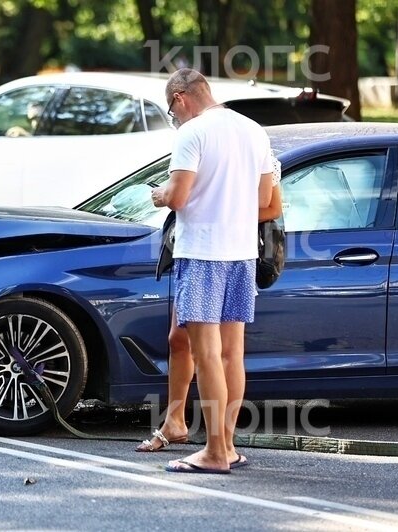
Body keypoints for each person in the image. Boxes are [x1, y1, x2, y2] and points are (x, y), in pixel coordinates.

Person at [148, 68, 274, 474]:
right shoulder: (254, 130)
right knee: (232, 354)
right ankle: (229, 445)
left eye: (171, 110)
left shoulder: (192, 132)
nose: (174, 118)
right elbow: (265, 199)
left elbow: (179, 196)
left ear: (181, 97)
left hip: (202, 253)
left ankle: (215, 453)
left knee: (206, 356)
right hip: (241, 255)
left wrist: (159, 194)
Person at [136, 160, 282, 454]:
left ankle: (222, 444)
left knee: (222, 352)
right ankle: (176, 422)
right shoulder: (202, 143)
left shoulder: (243, 142)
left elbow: (271, 207)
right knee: (178, 339)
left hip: (224, 254)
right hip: (194, 251)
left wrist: (215, 214)